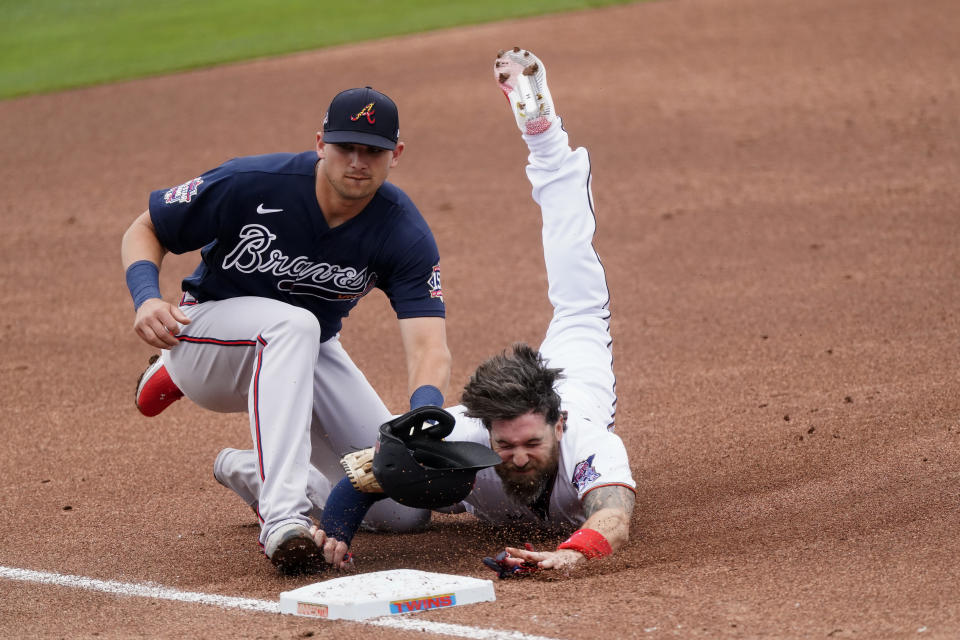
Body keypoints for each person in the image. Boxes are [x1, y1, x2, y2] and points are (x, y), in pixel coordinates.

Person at [217, 47, 637, 577]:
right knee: (402, 514)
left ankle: (543, 132)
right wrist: (338, 537)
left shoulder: (588, 441)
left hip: (578, 376)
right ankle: (261, 476)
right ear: (485, 431)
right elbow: (364, 478)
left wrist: (570, 554)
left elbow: (614, 517)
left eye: (532, 442)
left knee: (581, 299)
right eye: (505, 445)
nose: (519, 455)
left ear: (560, 424)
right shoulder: (464, 436)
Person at [120, 85, 452, 575]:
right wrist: (147, 297)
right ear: (321, 143)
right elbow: (146, 228)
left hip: (300, 353)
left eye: (373, 151)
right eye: (346, 147)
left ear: (395, 155)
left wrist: (422, 417)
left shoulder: (401, 230)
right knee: (296, 324)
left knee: (401, 508)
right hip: (204, 342)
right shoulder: (252, 183)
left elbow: (430, 346)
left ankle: (251, 471)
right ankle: (282, 521)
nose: (358, 161)